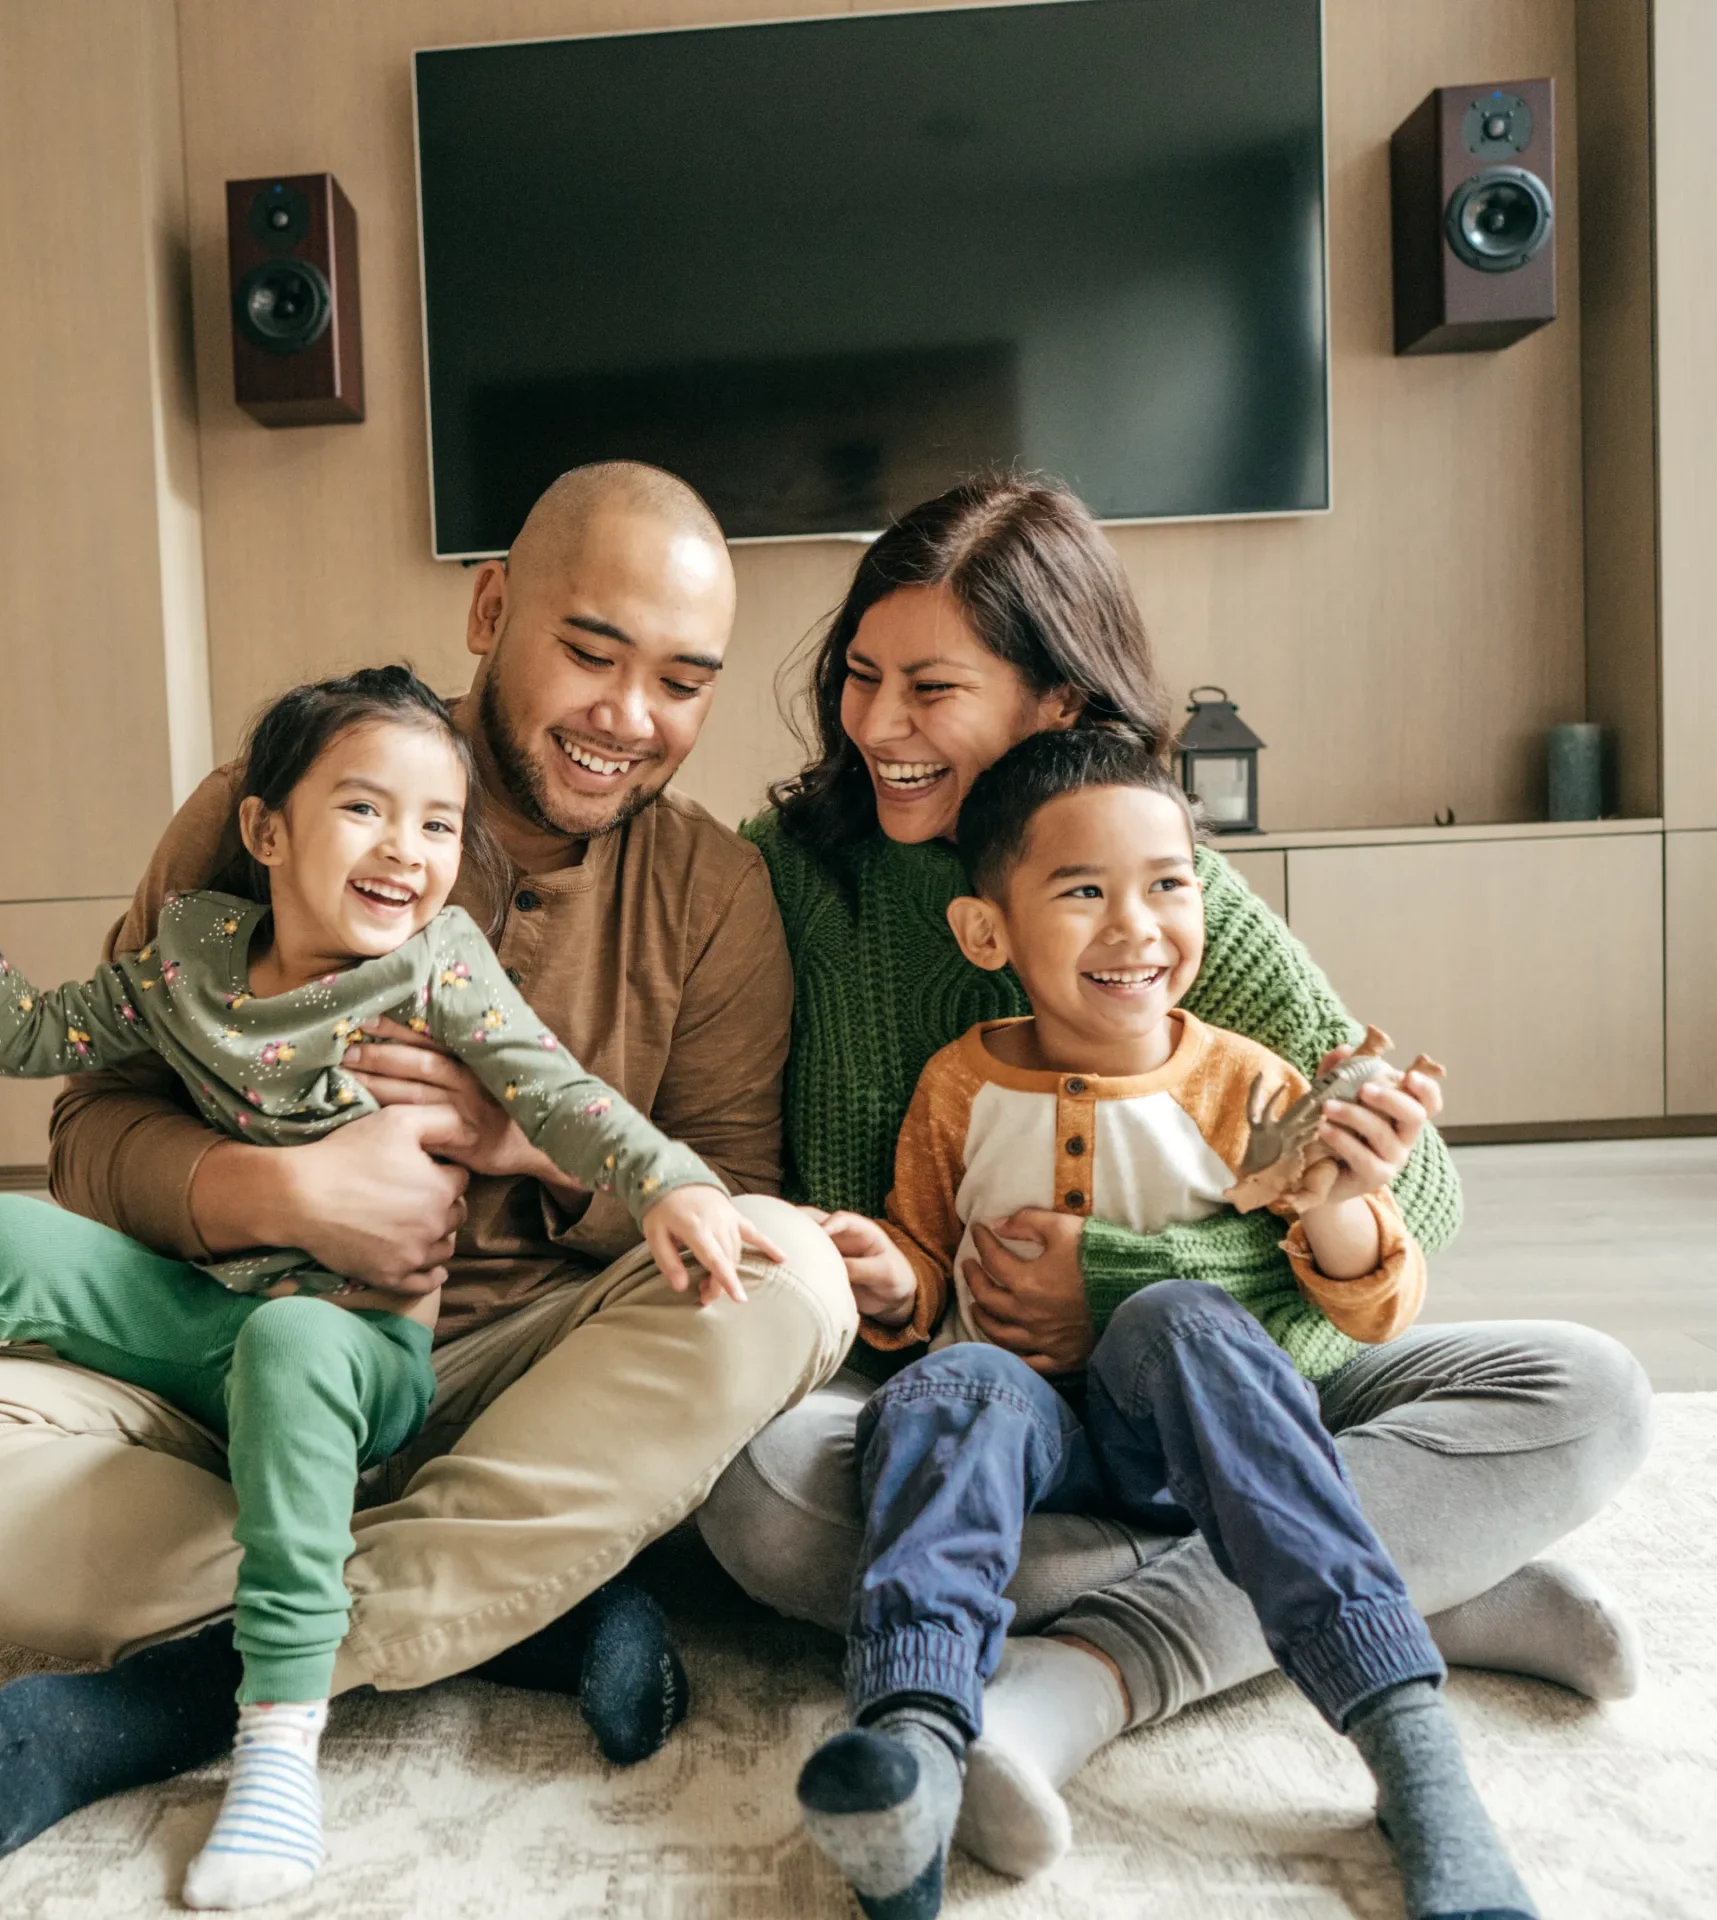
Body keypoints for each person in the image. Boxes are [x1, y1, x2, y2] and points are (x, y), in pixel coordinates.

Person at [0, 666, 779, 1909]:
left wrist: (671, 1181)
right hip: (205, 1327)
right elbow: (31, 1036)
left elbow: (560, 1094)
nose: (406, 853)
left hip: (354, 1358)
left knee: (298, 1343)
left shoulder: (437, 967)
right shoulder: (195, 949)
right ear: (266, 830)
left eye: (437, 825)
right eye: (364, 810)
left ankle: (275, 1741)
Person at [0, 462, 858, 1860]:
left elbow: (719, 1191)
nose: (629, 719)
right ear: (488, 609)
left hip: (517, 1390)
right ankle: (507, 1604)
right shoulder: (273, 803)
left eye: (681, 681)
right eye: (591, 652)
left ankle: (193, 1684)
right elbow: (88, 1126)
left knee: (793, 1277)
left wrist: (520, 1140)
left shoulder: (715, 895)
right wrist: (281, 1194)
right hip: (231, 1370)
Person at [699, 475, 1651, 1880]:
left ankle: (1072, 1681)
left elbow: (1420, 1201)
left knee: (1585, 1392)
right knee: (763, 1499)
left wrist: (1123, 1281)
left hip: (1217, 1384)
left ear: (1058, 708)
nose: (878, 726)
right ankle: (1423, 1586)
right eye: (860, 677)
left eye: (931, 688)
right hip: (969, 1404)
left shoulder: (1151, 880)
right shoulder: (792, 873)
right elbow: (849, 1235)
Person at [793, 728, 1535, 1920]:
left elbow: (1375, 1305)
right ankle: (914, 1751)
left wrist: (1346, 1201)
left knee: (1181, 1317)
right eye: (1083, 892)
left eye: (1168, 885)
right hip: (1025, 1453)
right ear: (989, 933)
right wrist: (893, 1281)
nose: (1136, 927)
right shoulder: (957, 1086)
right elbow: (928, 1262)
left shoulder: (1248, 1084)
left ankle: (1410, 1746)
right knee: (950, 1387)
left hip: (1202, 1437)